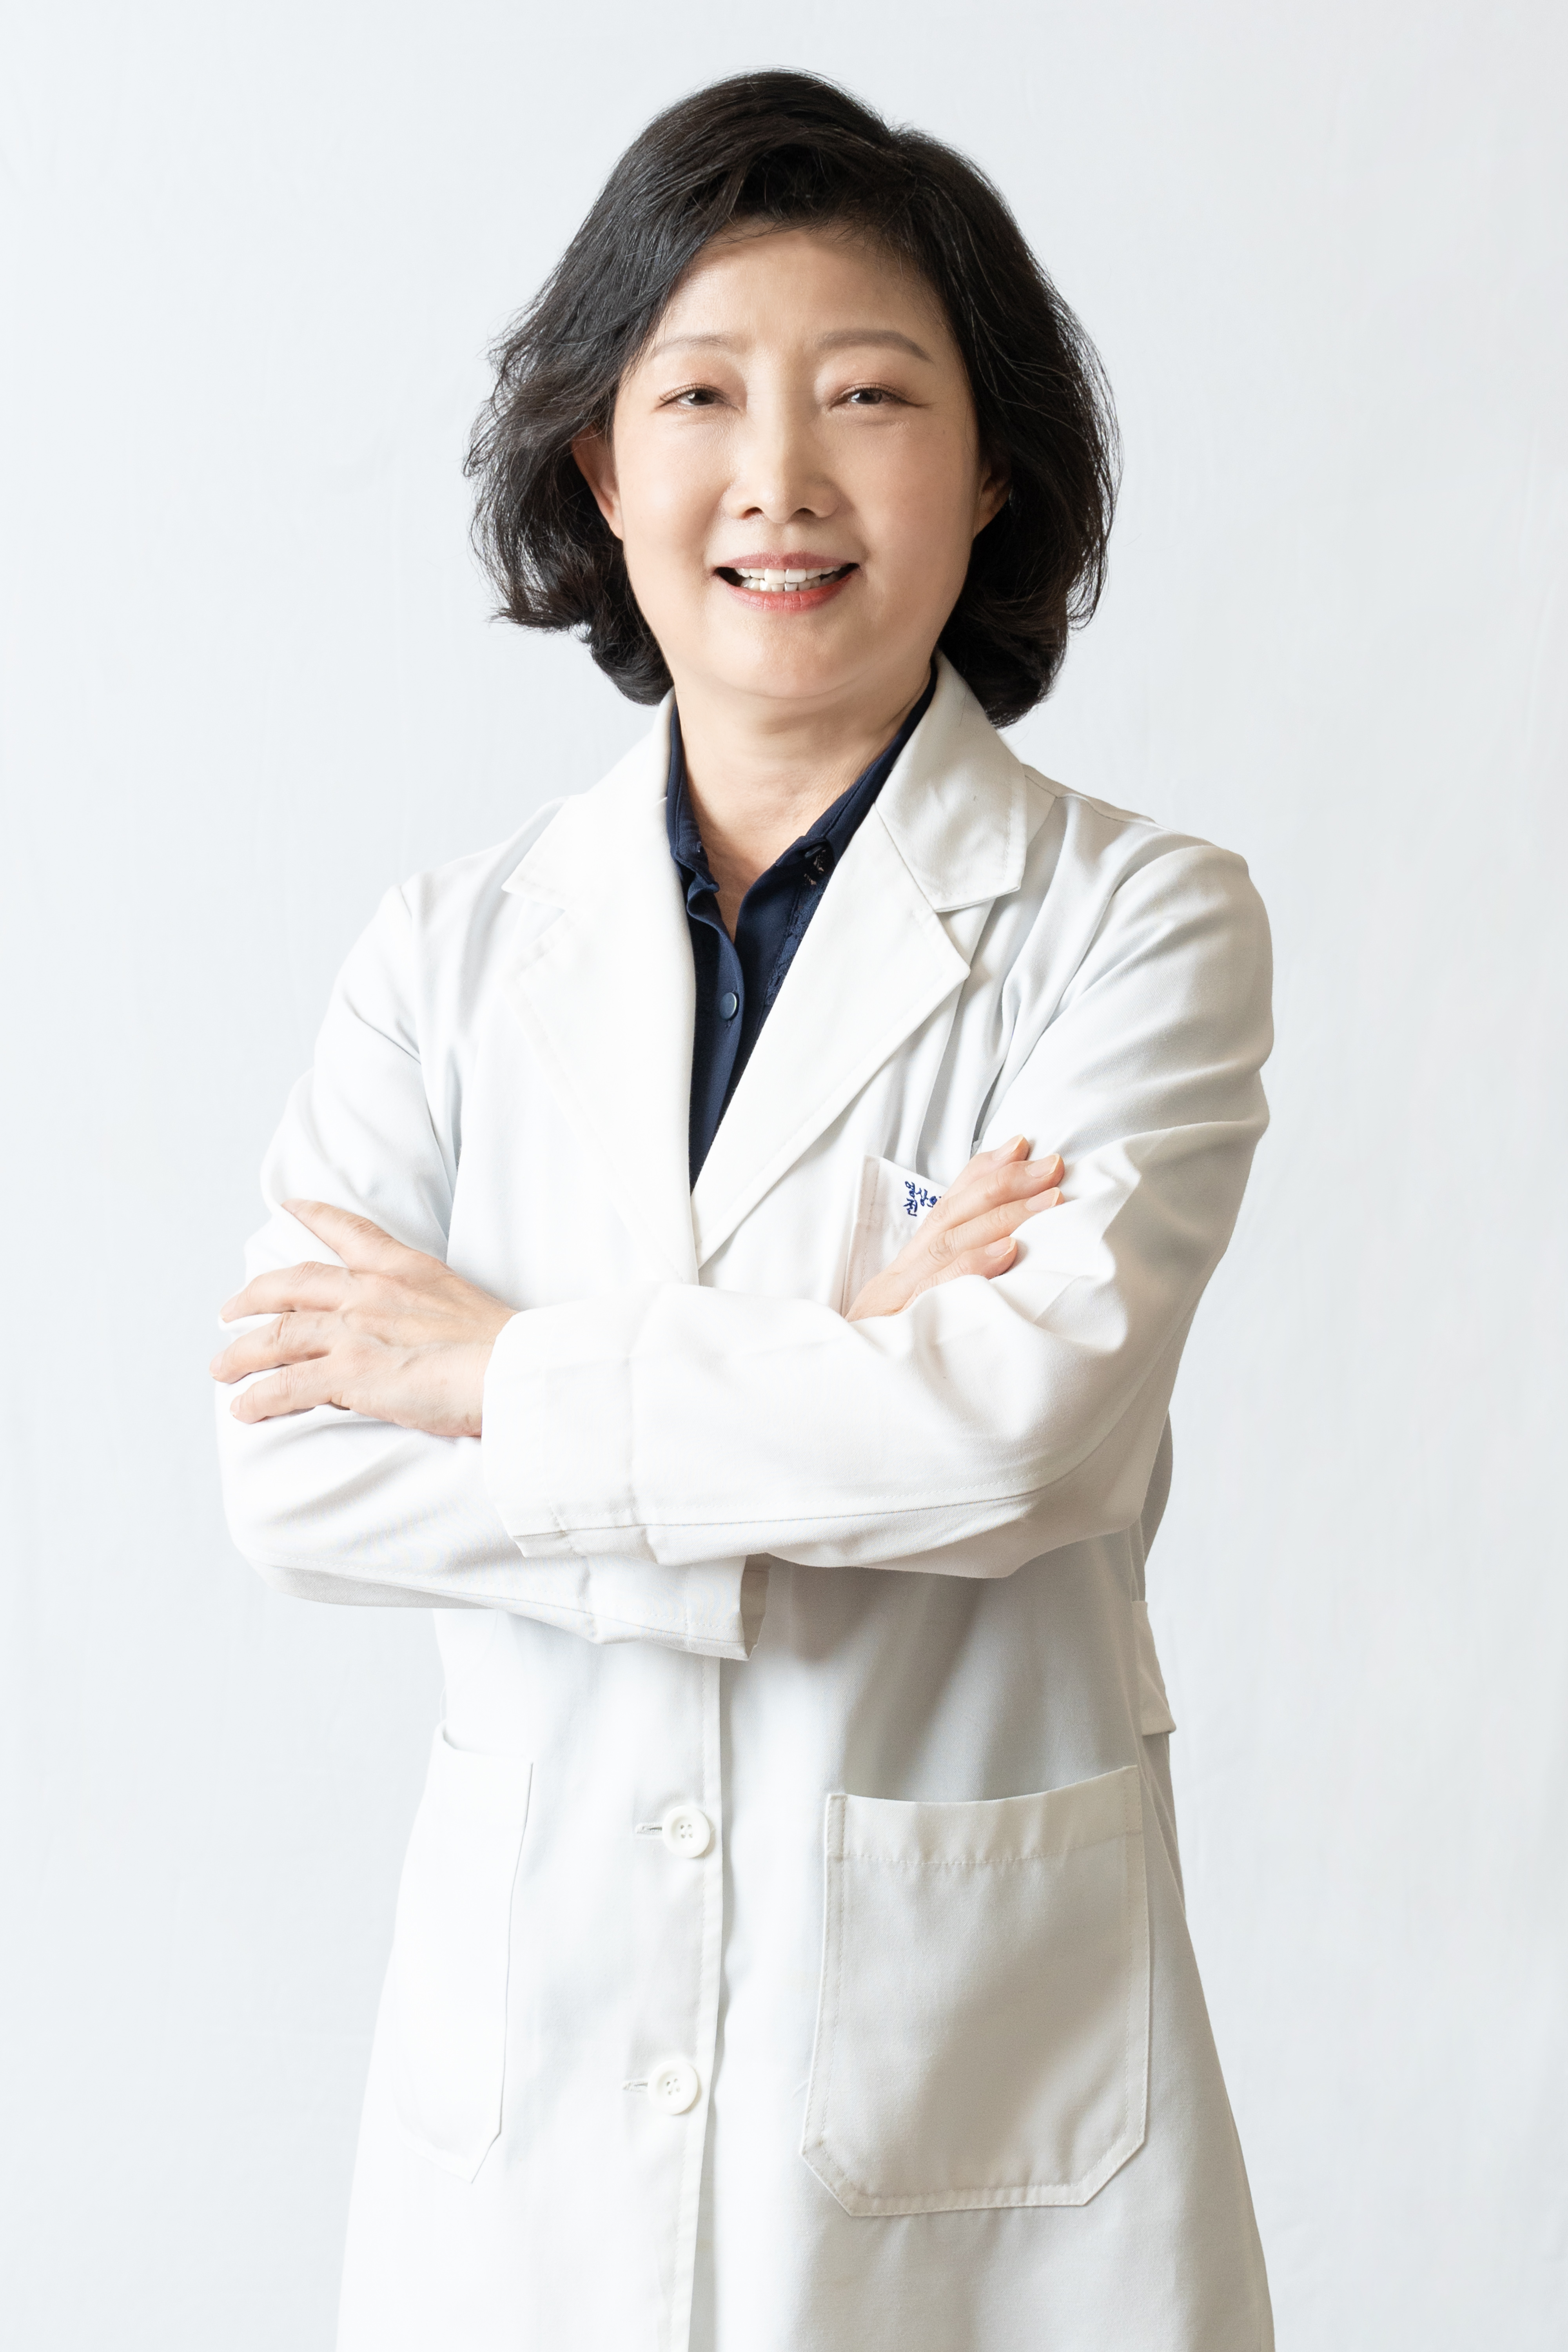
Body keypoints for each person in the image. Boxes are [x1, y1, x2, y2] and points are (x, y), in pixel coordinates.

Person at [212, 69, 1274, 2352]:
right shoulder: (445, 954)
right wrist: (841, 1382)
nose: (779, 477)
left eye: (869, 396)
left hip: (978, 2145)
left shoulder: (1138, 927)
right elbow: (291, 1468)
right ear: (606, 469)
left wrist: (494, 1378)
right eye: (700, 395)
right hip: (524, 2150)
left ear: (990, 473)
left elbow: (1019, 1442)